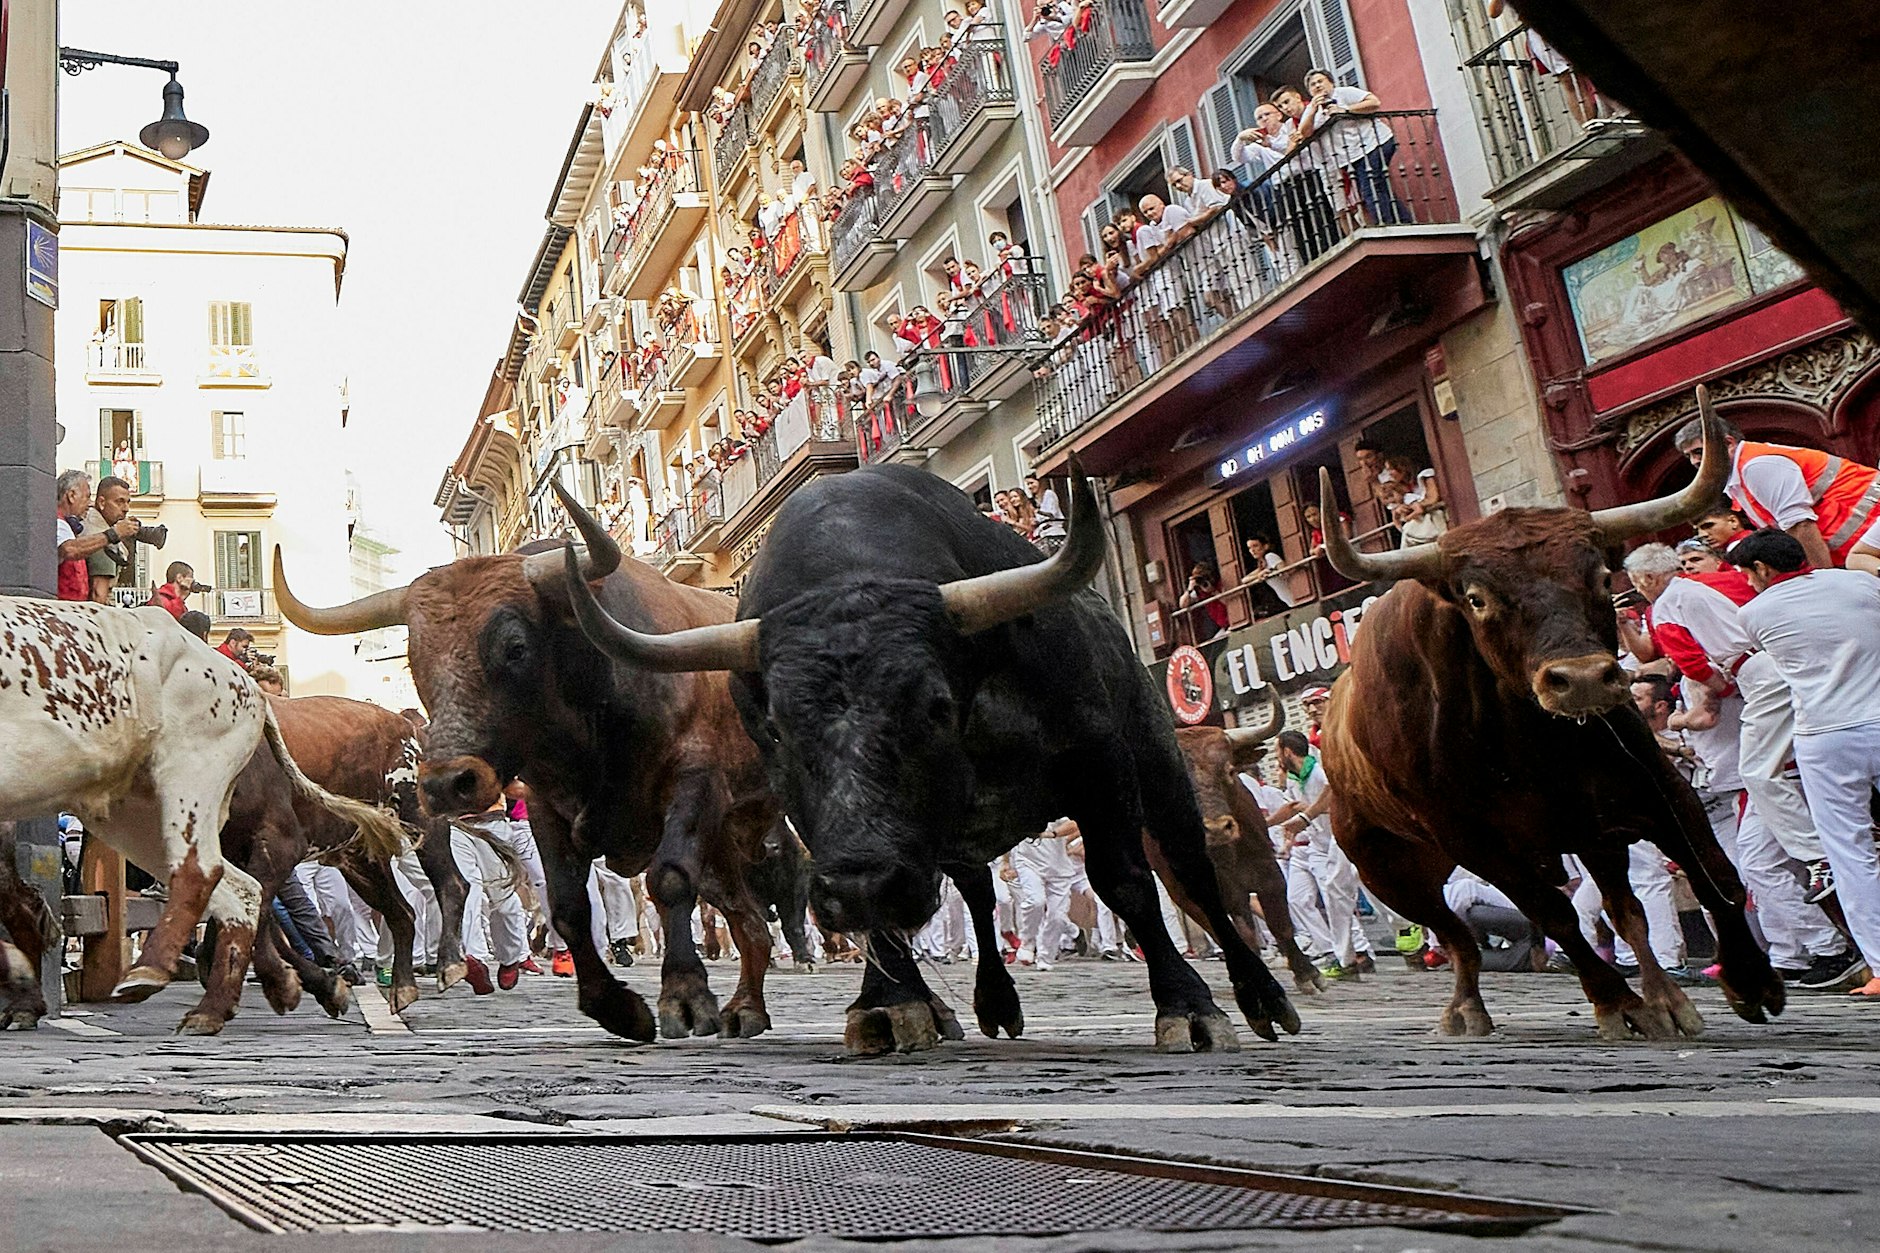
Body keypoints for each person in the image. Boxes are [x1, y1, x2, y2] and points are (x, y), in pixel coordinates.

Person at [1621, 542, 1849, 968]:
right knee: (1759, 856)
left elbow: (1692, 663)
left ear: (1646, 579)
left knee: (1760, 814)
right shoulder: (1710, 584)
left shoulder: (1669, 607)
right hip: (1777, 676)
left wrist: (1704, 702)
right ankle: (1803, 950)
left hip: (1753, 695)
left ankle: (1822, 918)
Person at [1729, 529, 1880, 995]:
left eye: (1747, 574)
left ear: (1763, 570)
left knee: (1850, 854)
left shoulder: (1753, 614)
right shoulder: (1860, 583)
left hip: (1825, 736)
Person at [1676, 415, 1880, 574]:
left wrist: (1826, 581)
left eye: (1699, 452)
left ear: (1728, 443)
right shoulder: (1743, 472)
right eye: (1689, 456)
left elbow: (1800, 526)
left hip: (1869, 539)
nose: (1695, 462)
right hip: (1862, 547)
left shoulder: (1756, 466)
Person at [1267, 730, 1371, 978]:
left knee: (1340, 893)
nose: (1275, 757)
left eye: (1276, 751)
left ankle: (1361, 951)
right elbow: (1292, 807)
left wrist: (1308, 814)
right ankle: (1332, 951)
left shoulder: (1319, 770)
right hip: (1315, 845)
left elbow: (1336, 800)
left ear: (1287, 752)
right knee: (1298, 899)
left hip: (1338, 838)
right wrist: (1266, 825)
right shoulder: (1294, 778)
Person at [1298, 67, 1404, 227]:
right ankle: (1402, 220)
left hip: (1374, 143)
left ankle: (1388, 226)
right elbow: (1304, 132)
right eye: (1313, 85)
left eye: (1320, 81)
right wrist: (1313, 110)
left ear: (1331, 82)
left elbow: (1374, 102)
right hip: (1353, 155)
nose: (1317, 86)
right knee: (1377, 187)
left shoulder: (1344, 93)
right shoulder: (1312, 109)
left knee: (1371, 190)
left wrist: (1345, 109)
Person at [55, 469, 138, 602]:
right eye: (87, 497)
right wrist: (113, 534)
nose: (90, 503)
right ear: (71, 496)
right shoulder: (57, 523)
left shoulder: (68, 526)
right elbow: (69, 549)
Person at [83, 475, 136, 603]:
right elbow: (99, 595)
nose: (126, 509)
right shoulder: (101, 537)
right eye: (119, 502)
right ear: (102, 503)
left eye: (127, 502)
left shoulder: (87, 522)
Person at [1178, 562, 1229, 640]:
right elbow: (1183, 604)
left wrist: (1214, 592)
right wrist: (1189, 589)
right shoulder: (1199, 591)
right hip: (1223, 626)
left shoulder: (1221, 584)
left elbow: (1230, 603)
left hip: (1232, 622)